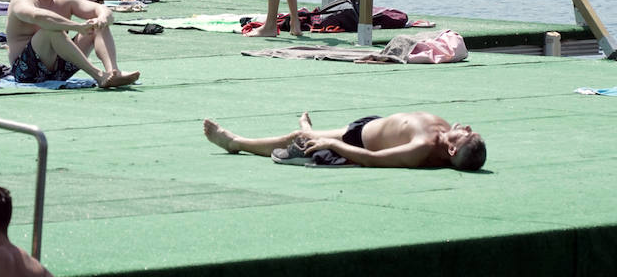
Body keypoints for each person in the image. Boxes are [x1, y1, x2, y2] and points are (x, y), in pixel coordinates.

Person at [6, 0, 140, 88]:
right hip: (27, 72)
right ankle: (99, 75)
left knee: (98, 24)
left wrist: (103, 18)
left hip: (60, 69)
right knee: (51, 30)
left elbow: (101, 9)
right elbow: (39, 17)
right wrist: (77, 27)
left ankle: (113, 72)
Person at [203, 111, 486, 171]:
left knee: (299, 139)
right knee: (309, 135)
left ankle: (236, 142)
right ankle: (312, 131)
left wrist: (336, 147)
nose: (467, 126)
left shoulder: (421, 149)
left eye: (467, 134)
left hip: (360, 140)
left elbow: (373, 159)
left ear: (451, 149)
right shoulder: (446, 131)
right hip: (370, 123)